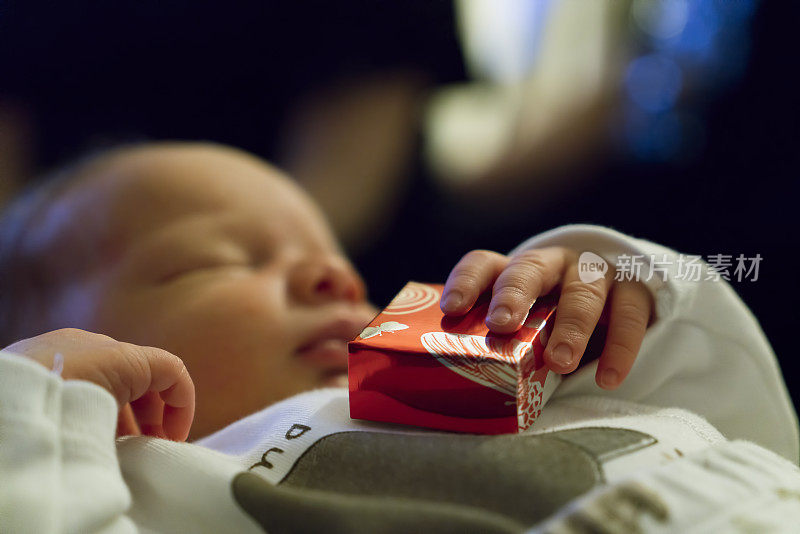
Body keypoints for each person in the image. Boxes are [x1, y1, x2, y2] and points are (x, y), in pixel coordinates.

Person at [1, 142, 798, 532]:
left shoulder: (470, 380)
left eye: (335, 262)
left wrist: (618, 301)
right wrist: (24, 408)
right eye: (219, 260)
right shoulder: (134, 491)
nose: (335, 279)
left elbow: (740, 412)